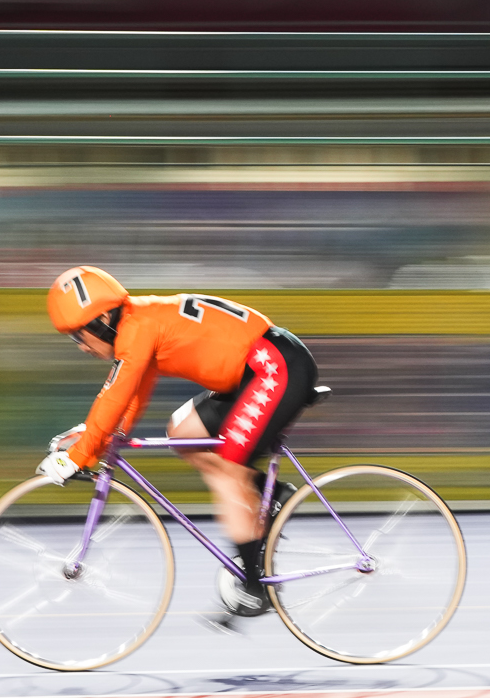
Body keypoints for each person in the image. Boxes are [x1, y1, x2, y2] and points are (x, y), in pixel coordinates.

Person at [42, 266, 318, 626]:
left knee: (230, 473)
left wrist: (78, 457)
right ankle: (271, 494)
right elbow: (133, 394)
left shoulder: (137, 328)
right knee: (183, 430)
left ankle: (255, 585)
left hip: (273, 367)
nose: (80, 347)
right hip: (257, 368)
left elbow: (115, 394)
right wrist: (100, 437)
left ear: (102, 320)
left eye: (77, 336)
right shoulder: (137, 321)